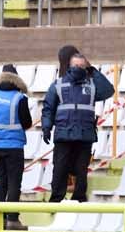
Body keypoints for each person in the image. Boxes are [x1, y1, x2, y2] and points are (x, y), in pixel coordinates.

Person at [42, 53, 115, 203]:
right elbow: (48, 108)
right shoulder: (58, 84)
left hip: (84, 135)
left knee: (81, 171)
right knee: (60, 169)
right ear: (69, 66)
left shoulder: (91, 85)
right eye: (76, 66)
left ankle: (80, 199)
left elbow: (109, 90)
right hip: (64, 134)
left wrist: (93, 71)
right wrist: (46, 127)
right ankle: (55, 201)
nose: (79, 69)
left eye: (82, 66)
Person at [0, 64, 32, 231]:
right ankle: (12, 219)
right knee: (14, 182)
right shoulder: (19, 98)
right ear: (16, 79)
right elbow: (27, 122)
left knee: (1, 181)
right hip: (14, 146)